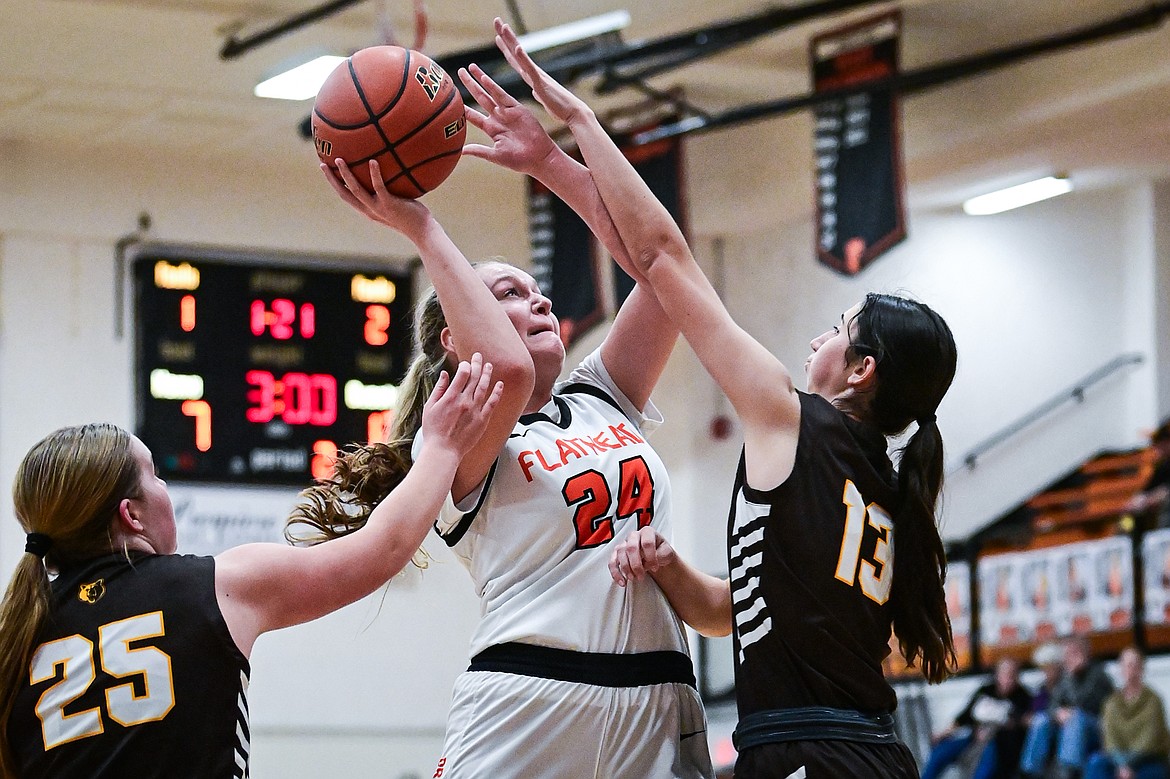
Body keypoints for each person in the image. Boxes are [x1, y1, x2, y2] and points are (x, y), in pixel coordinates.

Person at [489, 18, 959, 779]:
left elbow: (663, 260)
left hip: (808, 752)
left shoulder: (789, 415)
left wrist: (575, 132)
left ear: (863, 368)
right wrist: (673, 572)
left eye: (837, 329)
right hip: (866, 752)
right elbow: (734, 614)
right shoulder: (883, 479)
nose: (817, 340)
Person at [295, 28, 714, 778]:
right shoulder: (453, 434)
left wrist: (555, 163)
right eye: (507, 293)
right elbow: (511, 371)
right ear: (456, 338)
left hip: (658, 692)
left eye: (535, 286)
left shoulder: (600, 397)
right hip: (530, 696)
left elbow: (663, 272)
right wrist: (420, 224)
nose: (539, 297)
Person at [0, 355, 502, 778]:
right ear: (130, 515)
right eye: (155, 476)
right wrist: (441, 446)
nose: (165, 490)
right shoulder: (211, 587)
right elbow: (384, 549)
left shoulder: (16, 637)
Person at [919, 656, 1034, 779]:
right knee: (941, 752)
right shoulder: (986, 691)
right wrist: (943, 733)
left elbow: (1021, 723)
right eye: (1004, 675)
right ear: (997, 675)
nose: (1007, 680)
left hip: (1000, 743)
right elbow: (964, 717)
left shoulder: (1023, 697)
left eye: (1011, 675)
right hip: (973, 738)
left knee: (986, 763)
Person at [1020, 635, 1115, 779]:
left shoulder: (1098, 673)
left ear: (1085, 653)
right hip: (1072, 727)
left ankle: (1069, 772)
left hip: (1096, 727)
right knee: (1041, 719)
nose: (1068, 658)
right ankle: (1030, 771)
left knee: (1076, 717)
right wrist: (1058, 713)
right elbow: (1052, 705)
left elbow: (1084, 702)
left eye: (1073, 652)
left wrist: (1075, 675)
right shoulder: (1066, 676)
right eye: (1066, 654)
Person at [1084, 647, 1170, 779]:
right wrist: (1122, 764)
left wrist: (1129, 764)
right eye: (1127, 665)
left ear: (1142, 668)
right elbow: (1109, 739)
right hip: (1118, 760)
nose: (1131, 669)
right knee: (1096, 763)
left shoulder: (1153, 700)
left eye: (1135, 665)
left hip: (1148, 759)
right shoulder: (1111, 703)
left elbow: (1151, 739)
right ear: (1121, 669)